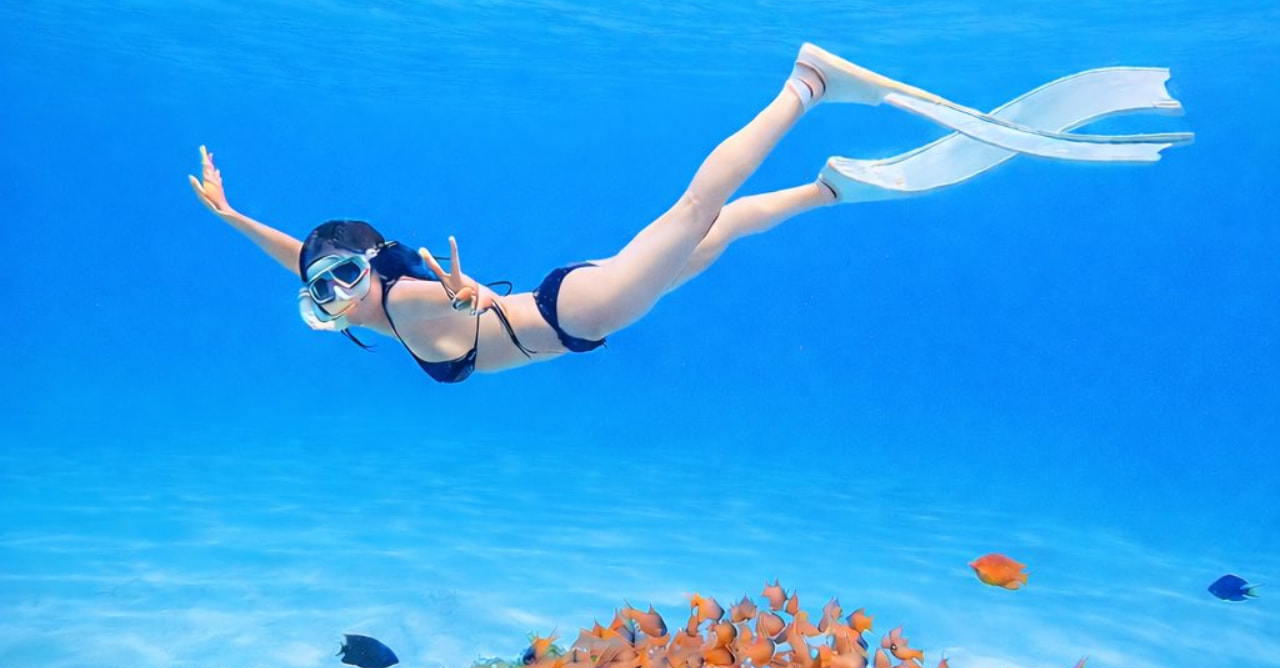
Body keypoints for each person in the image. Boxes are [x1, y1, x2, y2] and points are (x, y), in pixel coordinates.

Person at [189, 44, 1189, 384]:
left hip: (575, 313)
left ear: (374, 267)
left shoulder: (402, 300)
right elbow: (300, 257)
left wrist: (456, 292)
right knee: (716, 234)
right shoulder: (373, 301)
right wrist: (235, 219)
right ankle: (832, 186)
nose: (330, 295)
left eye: (341, 277)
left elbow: (442, 300)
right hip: (568, 307)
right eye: (321, 290)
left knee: (694, 209)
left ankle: (805, 86)